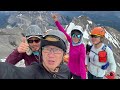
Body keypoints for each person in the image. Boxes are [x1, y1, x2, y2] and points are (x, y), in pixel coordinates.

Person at [0, 30, 71, 79]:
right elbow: (10, 71)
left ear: (63, 54)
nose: (51, 55)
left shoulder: (66, 71)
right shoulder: (34, 72)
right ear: (42, 52)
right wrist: (17, 51)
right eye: (47, 49)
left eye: (56, 50)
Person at [52, 14, 86, 79]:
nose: (75, 37)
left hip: (77, 73)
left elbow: (82, 64)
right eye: (73, 35)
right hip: (69, 69)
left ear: (81, 37)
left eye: (78, 36)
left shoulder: (82, 48)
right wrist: (56, 21)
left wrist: (83, 77)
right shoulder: (71, 42)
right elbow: (63, 32)